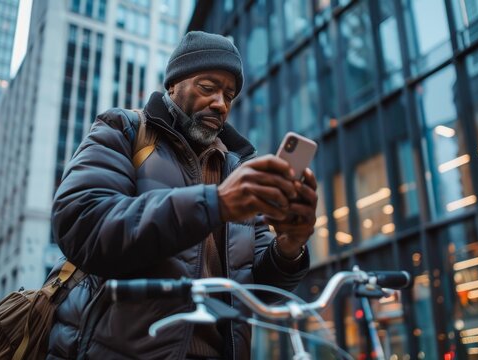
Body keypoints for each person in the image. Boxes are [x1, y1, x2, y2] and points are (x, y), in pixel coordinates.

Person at [47, 31, 318, 359]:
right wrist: (214, 203)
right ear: (173, 85)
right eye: (208, 88)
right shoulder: (123, 129)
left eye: (229, 95)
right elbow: (82, 225)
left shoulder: (237, 171)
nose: (220, 103)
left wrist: (289, 246)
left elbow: (258, 290)